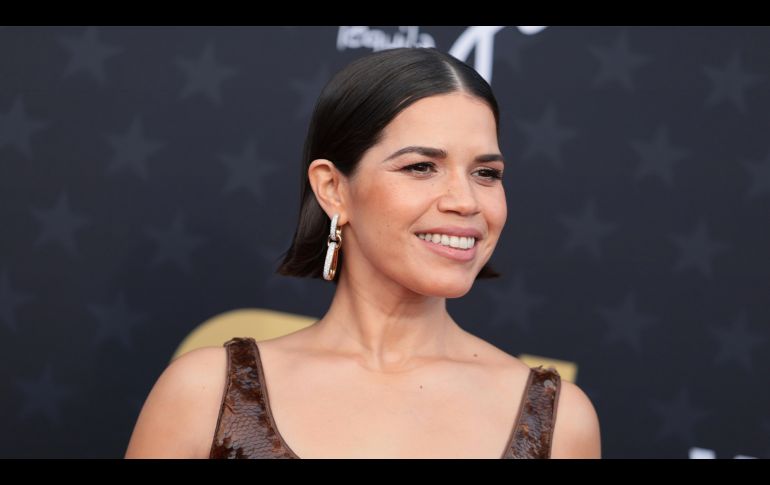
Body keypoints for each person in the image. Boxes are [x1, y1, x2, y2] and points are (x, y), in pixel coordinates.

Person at [125, 46, 601, 459]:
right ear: (333, 189)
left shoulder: (559, 418)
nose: (466, 201)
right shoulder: (207, 393)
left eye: (486, 173)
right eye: (421, 167)